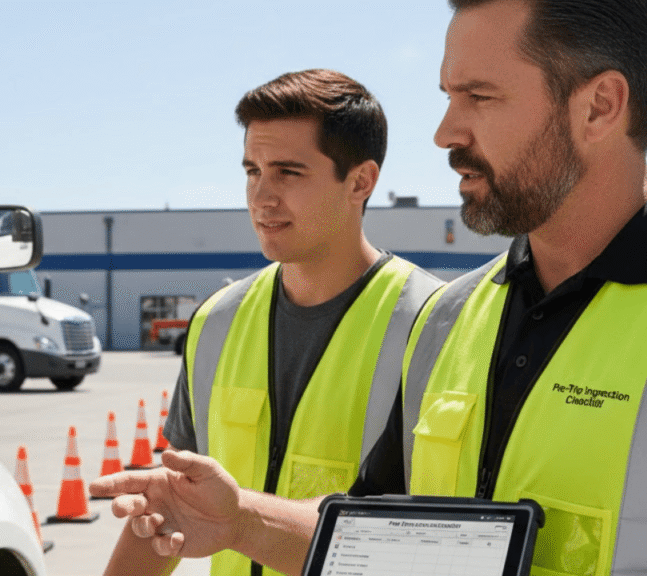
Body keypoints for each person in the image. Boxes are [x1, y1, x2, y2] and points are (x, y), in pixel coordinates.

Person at [90, 1, 647, 574]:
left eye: (480, 97)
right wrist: (242, 523)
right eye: (447, 97)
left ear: (600, 106)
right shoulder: (450, 319)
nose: (444, 133)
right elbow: (378, 532)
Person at [99, 69, 444, 576]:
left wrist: (246, 521)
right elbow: (169, 510)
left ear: (360, 181)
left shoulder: (434, 324)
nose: (262, 197)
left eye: (288, 172)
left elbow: (432, 535)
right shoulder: (217, 322)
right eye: (252, 170)